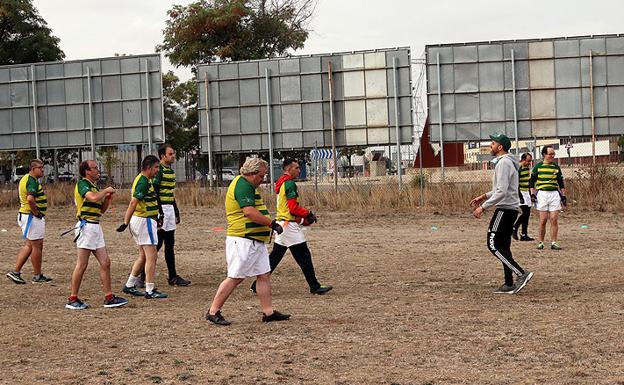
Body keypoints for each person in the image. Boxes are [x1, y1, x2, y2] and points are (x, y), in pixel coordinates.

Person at [205, 157, 290, 325]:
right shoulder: (243, 185)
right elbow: (249, 212)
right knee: (235, 277)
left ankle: (268, 312)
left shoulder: (248, 185)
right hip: (243, 239)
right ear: (252, 173)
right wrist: (272, 224)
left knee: (263, 275)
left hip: (254, 240)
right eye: (261, 176)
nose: (263, 179)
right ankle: (213, 311)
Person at [250, 159, 332, 295]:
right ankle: (315, 286)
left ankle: (256, 285)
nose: (299, 170)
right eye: (297, 168)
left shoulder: (281, 182)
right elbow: (293, 208)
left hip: (282, 223)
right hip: (288, 225)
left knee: (274, 258)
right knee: (304, 256)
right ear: (288, 169)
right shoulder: (289, 184)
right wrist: (308, 213)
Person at [470, 134, 534, 294]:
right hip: (509, 210)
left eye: (492, 143)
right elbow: (500, 188)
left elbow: (502, 192)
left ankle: (521, 273)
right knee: (504, 247)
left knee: (493, 245)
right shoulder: (506, 163)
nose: (490, 146)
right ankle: (508, 283)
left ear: (500, 147)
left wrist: (483, 207)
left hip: (505, 210)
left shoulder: (504, 163)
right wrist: (483, 196)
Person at [65, 160, 128, 310]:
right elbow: (92, 198)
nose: (97, 170)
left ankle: (109, 297)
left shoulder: (94, 187)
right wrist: (105, 191)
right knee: (82, 264)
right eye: (94, 168)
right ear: (87, 171)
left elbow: (101, 210)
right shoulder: (83, 184)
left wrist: (107, 198)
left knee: (105, 262)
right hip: (86, 227)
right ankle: (72, 298)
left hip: (95, 227)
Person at [117, 155, 168, 299]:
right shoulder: (144, 182)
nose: (158, 170)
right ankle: (150, 290)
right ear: (149, 168)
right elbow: (133, 202)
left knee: (143, 256)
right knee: (152, 256)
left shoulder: (144, 179)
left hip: (142, 220)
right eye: (156, 167)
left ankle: (129, 285)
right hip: (144, 221)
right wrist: (125, 222)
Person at [141, 144, 190, 286]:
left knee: (169, 243)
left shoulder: (170, 171)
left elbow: (170, 193)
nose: (173, 156)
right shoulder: (159, 171)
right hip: (161, 209)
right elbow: (155, 191)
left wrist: (176, 210)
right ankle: (142, 276)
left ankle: (172, 276)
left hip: (168, 209)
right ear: (163, 156)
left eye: (173, 153)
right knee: (157, 244)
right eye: (170, 154)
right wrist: (160, 212)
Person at [6, 159, 52, 284]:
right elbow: (31, 199)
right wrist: (36, 213)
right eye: (40, 167)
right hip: (31, 217)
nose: (42, 170)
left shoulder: (25, 178)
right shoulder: (31, 180)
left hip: (26, 215)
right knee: (37, 246)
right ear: (33, 169)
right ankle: (37, 276)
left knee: (30, 245)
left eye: (43, 167)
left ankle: (15, 272)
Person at [530, 145, 566, 250]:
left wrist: (563, 196)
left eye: (553, 154)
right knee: (543, 220)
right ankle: (541, 242)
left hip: (554, 194)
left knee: (554, 219)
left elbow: (561, 182)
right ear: (544, 155)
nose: (552, 156)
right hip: (542, 194)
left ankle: (554, 242)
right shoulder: (538, 167)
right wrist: (532, 194)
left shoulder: (556, 167)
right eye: (550, 154)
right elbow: (532, 181)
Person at [513, 153, 535, 241]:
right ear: (523, 160)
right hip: (520, 192)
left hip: (526, 192)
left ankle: (524, 234)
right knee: (525, 213)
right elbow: (516, 183)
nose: (530, 163)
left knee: (527, 214)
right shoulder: (519, 168)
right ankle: (514, 228)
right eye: (528, 161)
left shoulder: (527, 168)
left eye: (531, 161)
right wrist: (520, 196)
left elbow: (528, 181)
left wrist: (531, 194)